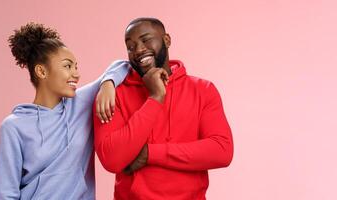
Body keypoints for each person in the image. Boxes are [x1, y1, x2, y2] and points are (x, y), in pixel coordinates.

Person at [93, 17, 234, 199]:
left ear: (167, 40)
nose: (138, 50)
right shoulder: (113, 94)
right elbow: (112, 159)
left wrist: (150, 154)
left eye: (145, 40)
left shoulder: (203, 89)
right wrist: (155, 97)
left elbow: (221, 151)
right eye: (130, 46)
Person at [0, 22, 129, 200]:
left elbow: (123, 65)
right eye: (67, 66)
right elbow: (6, 193)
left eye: (76, 66)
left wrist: (107, 84)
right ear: (42, 71)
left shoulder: (81, 103)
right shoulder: (13, 126)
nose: (76, 74)